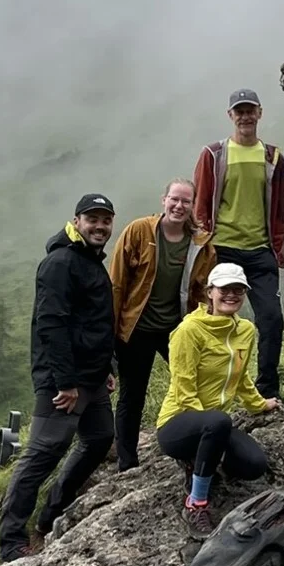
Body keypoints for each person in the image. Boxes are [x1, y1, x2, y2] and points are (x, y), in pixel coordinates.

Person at [0, 194, 118, 562]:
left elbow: (96, 320)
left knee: (99, 438)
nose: (100, 226)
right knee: (43, 453)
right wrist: (64, 382)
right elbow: (51, 325)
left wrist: (108, 367)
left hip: (92, 377)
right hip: (64, 380)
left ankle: (51, 513)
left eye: (105, 220)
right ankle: (11, 540)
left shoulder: (90, 261)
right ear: (76, 220)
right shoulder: (61, 262)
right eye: (92, 219)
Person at [155, 263, 281, 538]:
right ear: (209, 292)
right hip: (178, 424)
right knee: (218, 421)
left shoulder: (245, 330)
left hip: (215, 426)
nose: (232, 295)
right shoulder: (189, 331)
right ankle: (196, 503)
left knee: (253, 466)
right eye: (225, 289)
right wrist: (210, 429)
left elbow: (242, 377)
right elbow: (184, 388)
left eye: (238, 290)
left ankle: (204, 460)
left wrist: (260, 404)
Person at [107, 178, 217, 472]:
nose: (179, 206)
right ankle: (127, 463)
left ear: (193, 206)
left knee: (191, 384)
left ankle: (192, 444)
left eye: (186, 201)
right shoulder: (139, 231)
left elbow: (203, 292)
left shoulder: (201, 244)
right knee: (133, 395)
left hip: (176, 329)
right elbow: (117, 285)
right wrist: (112, 336)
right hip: (137, 328)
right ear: (163, 200)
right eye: (175, 199)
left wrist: (204, 331)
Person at [193, 88, 284, 399]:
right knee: (214, 321)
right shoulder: (214, 154)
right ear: (230, 115)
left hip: (260, 251)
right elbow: (202, 203)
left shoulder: (273, 156)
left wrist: (279, 243)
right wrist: (202, 246)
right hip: (224, 250)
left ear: (260, 113)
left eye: (250, 110)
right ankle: (212, 388)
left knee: (272, 319)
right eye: (239, 111)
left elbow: (278, 209)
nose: (245, 116)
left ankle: (266, 389)